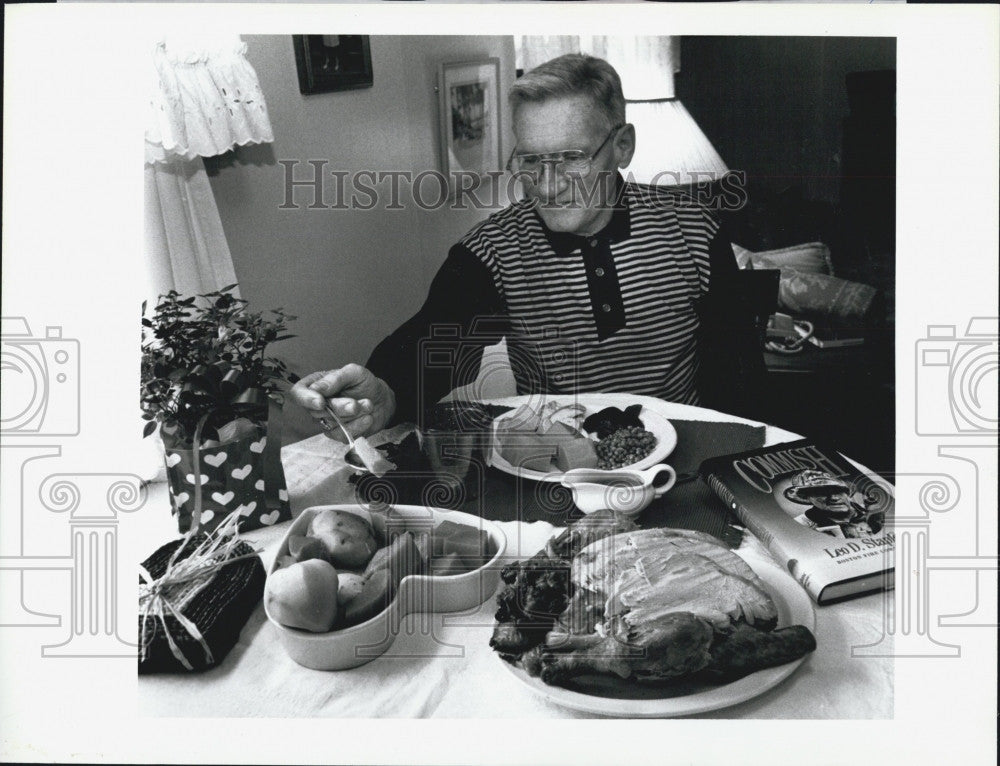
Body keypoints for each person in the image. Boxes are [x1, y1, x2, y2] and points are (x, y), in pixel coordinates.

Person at [291, 53, 765, 439]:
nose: (547, 184)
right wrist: (385, 393)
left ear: (622, 146)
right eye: (531, 160)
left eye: (570, 158)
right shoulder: (491, 252)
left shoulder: (695, 229)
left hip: (681, 455)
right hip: (557, 468)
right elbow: (433, 341)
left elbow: (738, 379)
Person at [783, 469, 882, 538]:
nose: (834, 498)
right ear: (807, 497)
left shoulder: (875, 513)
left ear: (847, 492)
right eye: (821, 493)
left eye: (838, 491)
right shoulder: (800, 526)